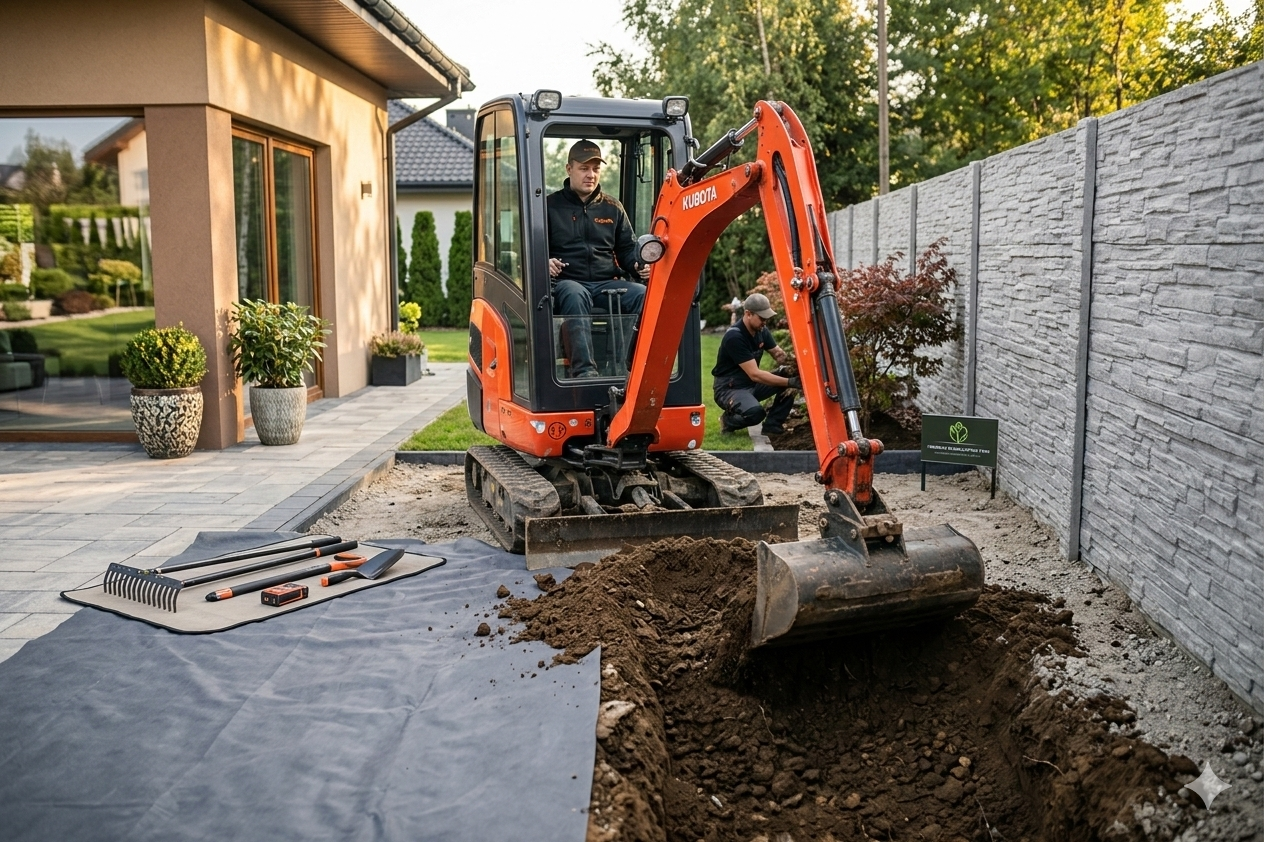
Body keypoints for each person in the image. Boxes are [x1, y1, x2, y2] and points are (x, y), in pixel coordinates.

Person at [547, 139, 650, 378]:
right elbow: (534, 248)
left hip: (606, 283)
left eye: (595, 169)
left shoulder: (613, 207)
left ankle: (631, 368)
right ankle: (585, 373)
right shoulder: (549, 206)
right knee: (575, 294)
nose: (591, 175)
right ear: (569, 169)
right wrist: (546, 261)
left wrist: (637, 265)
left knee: (644, 295)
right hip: (567, 282)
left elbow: (627, 249)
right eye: (584, 168)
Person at [711, 293, 800, 435]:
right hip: (729, 388)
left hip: (751, 384)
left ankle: (773, 425)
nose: (765, 322)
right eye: (762, 318)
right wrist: (790, 382)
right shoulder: (734, 337)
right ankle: (727, 421)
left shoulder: (761, 331)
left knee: (789, 373)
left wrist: (797, 365)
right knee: (756, 414)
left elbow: (778, 354)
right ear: (748, 314)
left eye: (766, 318)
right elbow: (755, 375)